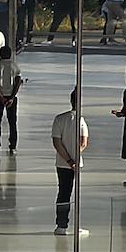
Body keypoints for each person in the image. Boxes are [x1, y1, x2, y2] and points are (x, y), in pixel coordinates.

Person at [52, 89, 88, 234]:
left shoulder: (59, 119)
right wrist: (74, 159)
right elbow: (84, 142)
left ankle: (61, 224)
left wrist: (67, 160)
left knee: (63, 192)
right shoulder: (81, 120)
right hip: (76, 164)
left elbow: (57, 142)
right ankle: (76, 224)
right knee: (75, 193)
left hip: (62, 163)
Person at [0, 46, 23, 154]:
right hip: (11, 97)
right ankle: (13, 146)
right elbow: (18, 82)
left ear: (0, 53)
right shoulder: (15, 66)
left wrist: (1, 97)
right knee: (12, 122)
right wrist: (12, 97)